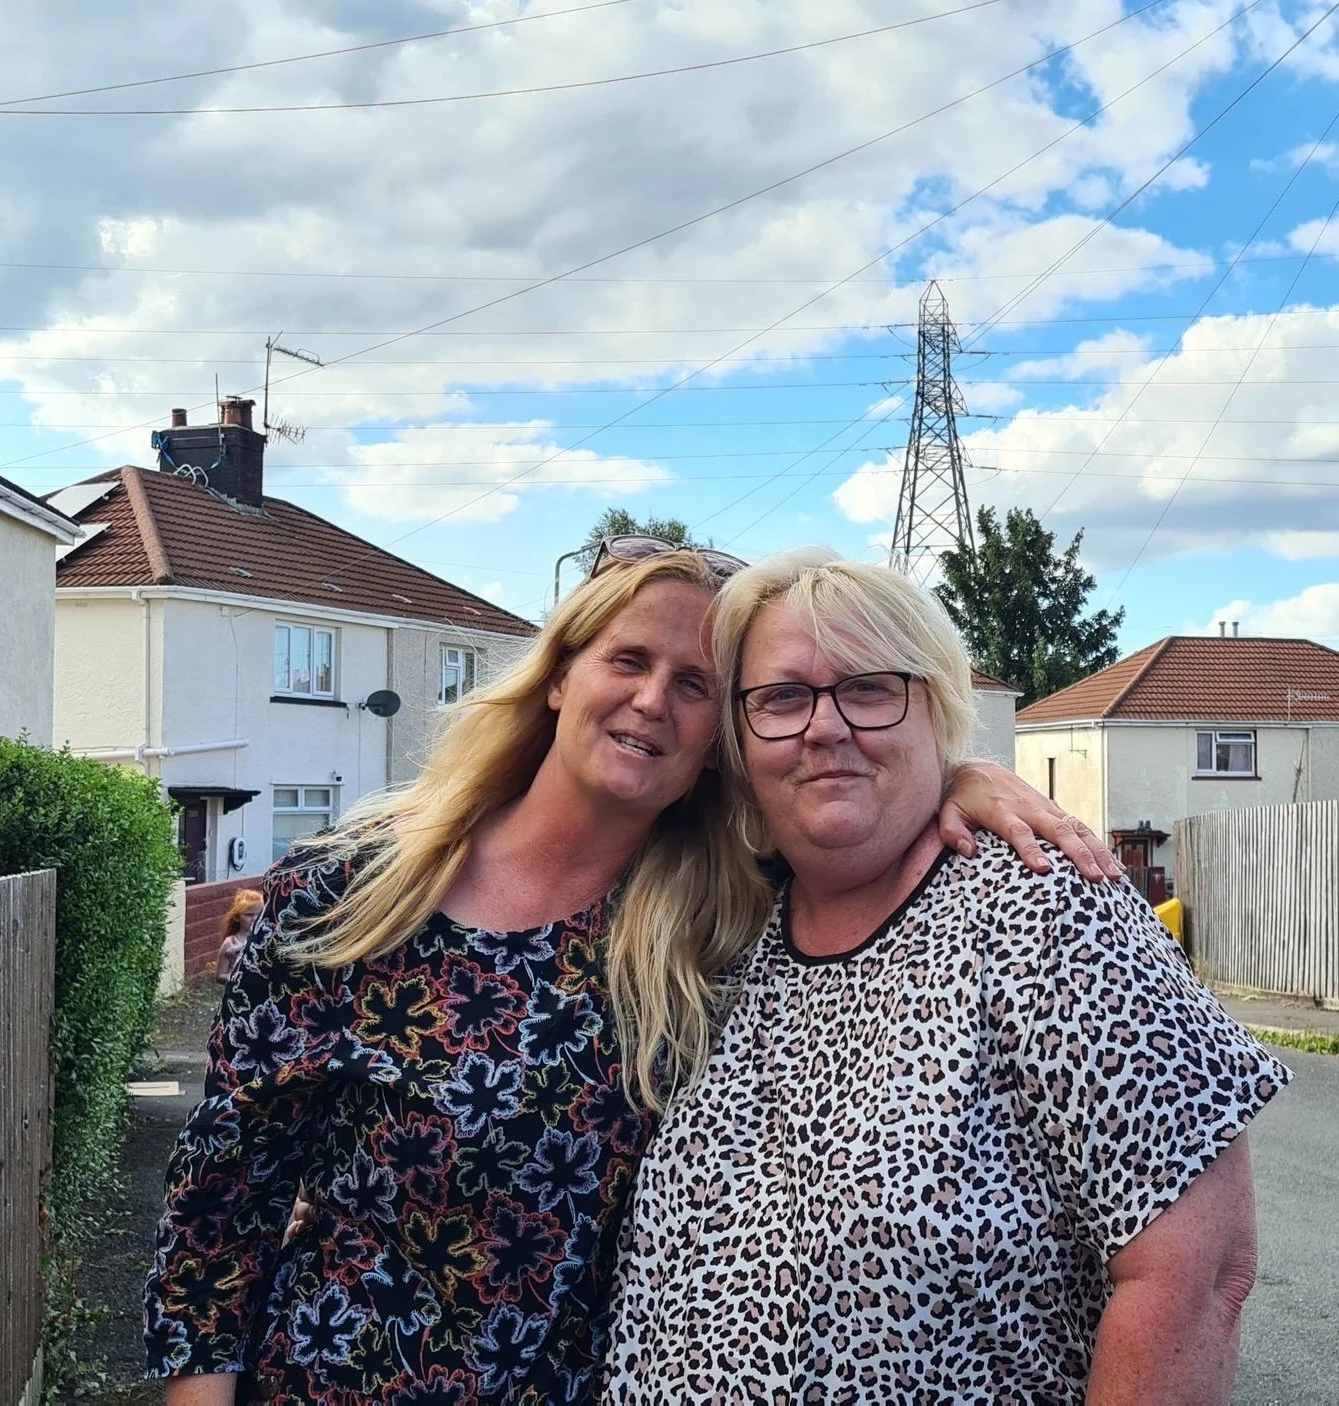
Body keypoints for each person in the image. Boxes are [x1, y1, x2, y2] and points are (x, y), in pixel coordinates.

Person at [145, 537, 1116, 1405]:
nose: (653, 697)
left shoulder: (729, 921)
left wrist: (956, 775)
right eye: (627, 659)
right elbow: (219, 1209)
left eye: (695, 683)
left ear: (714, 745)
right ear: (560, 676)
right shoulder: (344, 896)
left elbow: (856, 780)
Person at [602, 549, 1292, 1405]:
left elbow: (1198, 1277)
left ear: (937, 710)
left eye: (870, 688)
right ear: (739, 747)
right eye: (782, 697)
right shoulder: (727, 927)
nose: (824, 726)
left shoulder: (1046, 907)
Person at [214, 889, 264, 984]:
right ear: (237, 917)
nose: (254, 918)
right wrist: (241, 978)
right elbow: (219, 976)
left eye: (259, 914)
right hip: (238, 994)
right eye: (248, 915)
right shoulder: (230, 943)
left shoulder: (266, 937)